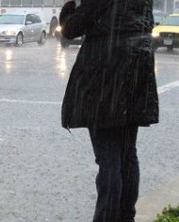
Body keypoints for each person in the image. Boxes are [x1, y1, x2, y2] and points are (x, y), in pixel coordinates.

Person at [59, 0, 159, 221]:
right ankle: (126, 216)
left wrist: (68, 7)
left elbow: (71, 29)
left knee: (109, 156)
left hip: (107, 72)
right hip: (138, 68)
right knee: (127, 153)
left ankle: (107, 217)